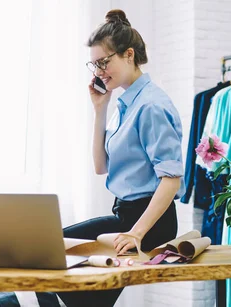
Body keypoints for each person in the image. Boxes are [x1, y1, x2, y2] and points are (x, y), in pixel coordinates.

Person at [57, 9, 186, 307]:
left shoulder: (152, 105)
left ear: (129, 55)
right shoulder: (125, 103)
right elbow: (100, 167)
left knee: (54, 249)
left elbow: (171, 179)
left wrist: (136, 234)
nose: (99, 71)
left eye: (104, 62)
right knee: (69, 273)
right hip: (124, 215)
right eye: (95, 64)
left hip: (150, 222)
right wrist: (100, 108)